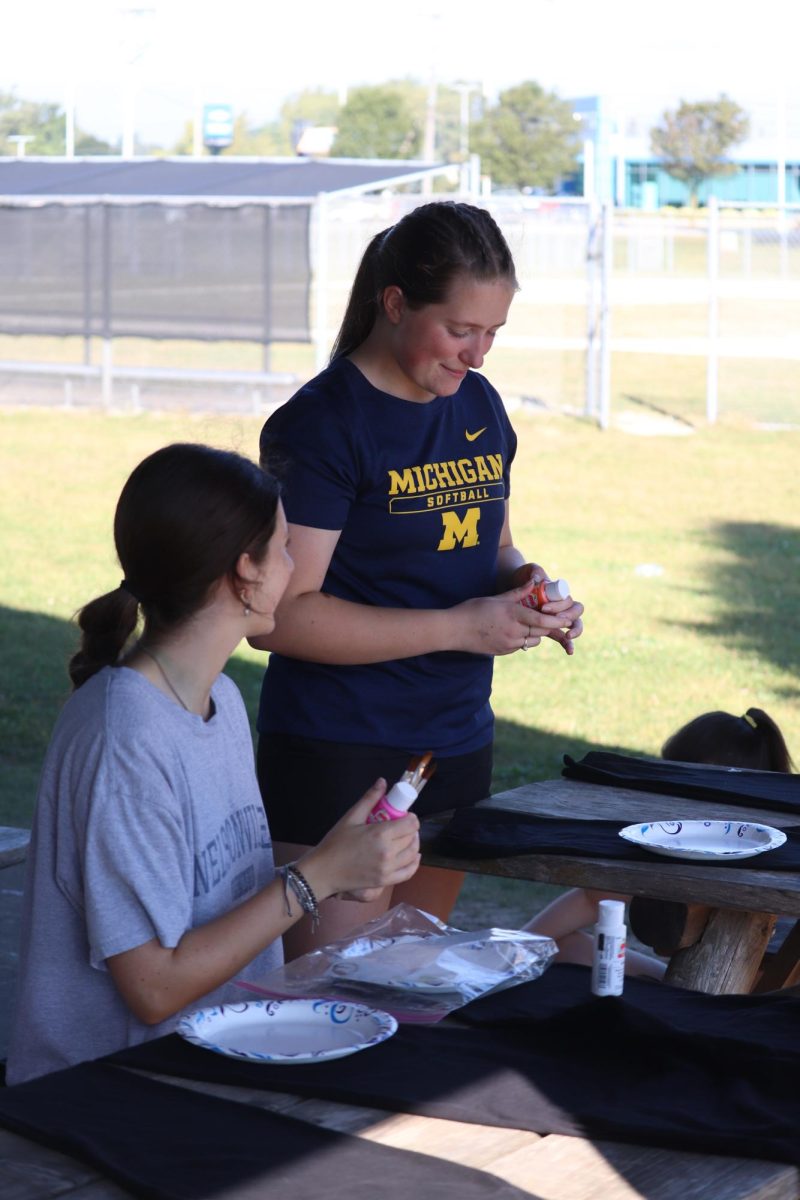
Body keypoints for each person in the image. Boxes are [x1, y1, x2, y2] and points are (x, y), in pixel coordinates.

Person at [6, 443, 420, 1086]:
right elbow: (152, 988)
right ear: (243, 572)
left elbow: (204, 895)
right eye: (283, 548)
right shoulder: (126, 736)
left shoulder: (217, 700)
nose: (293, 565)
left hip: (212, 1062)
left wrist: (338, 864)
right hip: (109, 1096)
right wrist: (312, 878)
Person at [249, 201, 584, 958]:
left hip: (452, 740)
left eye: (494, 333)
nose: (479, 354)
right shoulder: (323, 425)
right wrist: (463, 626)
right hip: (340, 747)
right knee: (335, 995)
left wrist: (532, 590)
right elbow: (280, 617)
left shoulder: (478, 406)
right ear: (395, 304)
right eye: (462, 330)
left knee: (416, 984)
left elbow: (494, 549)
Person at [522, 706, 795, 976]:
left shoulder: (756, 863)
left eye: (672, 786)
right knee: (564, 949)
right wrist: (506, 954)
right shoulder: (696, 845)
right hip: (707, 989)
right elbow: (591, 900)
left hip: (745, 1002)